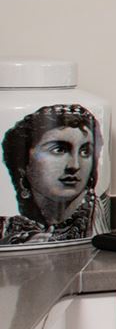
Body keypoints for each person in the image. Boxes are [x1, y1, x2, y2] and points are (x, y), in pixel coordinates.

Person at [3, 104, 100, 243]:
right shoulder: (9, 229)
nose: (74, 166)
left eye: (85, 152)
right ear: (23, 164)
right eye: (59, 150)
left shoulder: (97, 221)